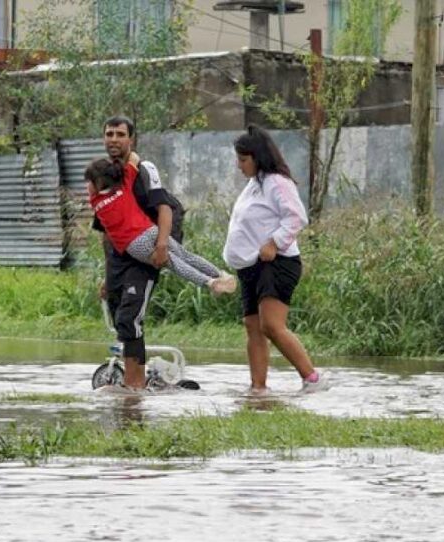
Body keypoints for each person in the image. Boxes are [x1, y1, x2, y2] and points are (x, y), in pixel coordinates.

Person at [224, 125, 328, 394]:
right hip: (250, 266)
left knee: (271, 324)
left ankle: (312, 379)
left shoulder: (276, 182)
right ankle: (258, 387)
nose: (239, 165)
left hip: (277, 263)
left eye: (243, 160)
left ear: (257, 157)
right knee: (253, 326)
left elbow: (296, 217)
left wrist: (274, 242)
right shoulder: (253, 185)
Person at [91, 116, 184, 389]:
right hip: (119, 257)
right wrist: (108, 276)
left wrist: (162, 246)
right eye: (109, 134)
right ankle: (135, 384)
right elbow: (105, 228)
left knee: (130, 317)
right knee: (121, 319)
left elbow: (165, 208)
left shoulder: (143, 170)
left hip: (147, 252)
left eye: (120, 134)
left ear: (131, 138)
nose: (114, 139)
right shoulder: (105, 175)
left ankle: (134, 389)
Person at [85, 153, 236, 295]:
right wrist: (120, 165)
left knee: (173, 263)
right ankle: (221, 274)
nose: (87, 186)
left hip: (134, 243)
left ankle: (210, 283)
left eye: (89, 182)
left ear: (97, 182)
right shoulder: (125, 184)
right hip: (150, 230)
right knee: (185, 255)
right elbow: (134, 157)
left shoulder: (95, 201)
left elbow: (93, 192)